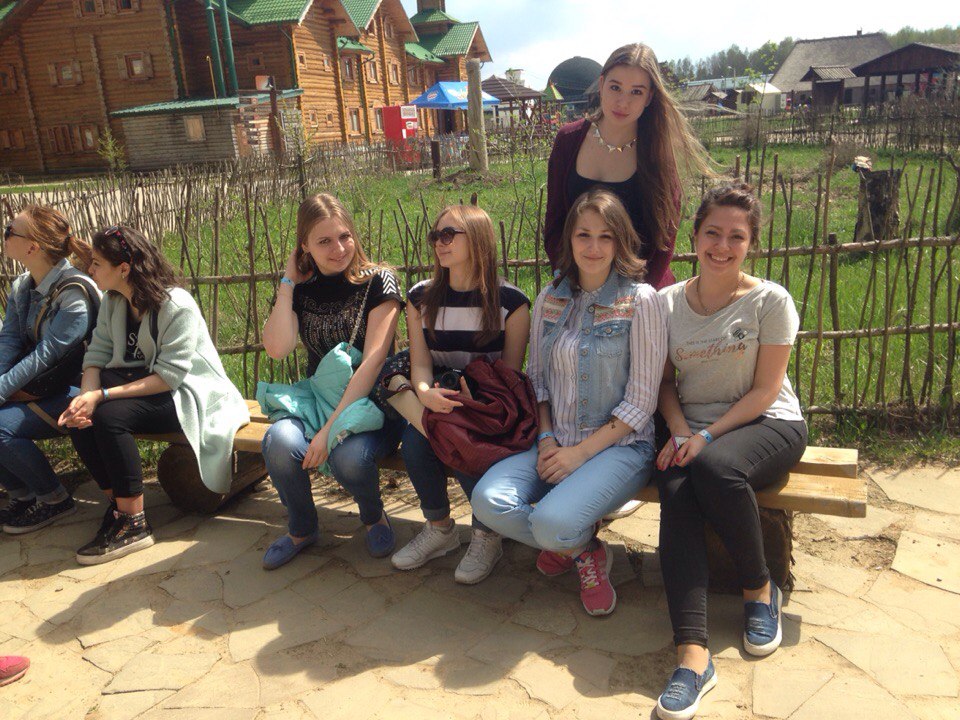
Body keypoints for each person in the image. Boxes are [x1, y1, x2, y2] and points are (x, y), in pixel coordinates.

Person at [653, 183, 807, 720]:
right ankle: (693, 657)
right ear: (694, 237)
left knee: (716, 467)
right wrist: (680, 432)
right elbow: (664, 382)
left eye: (736, 237)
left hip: (767, 421)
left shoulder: (770, 301)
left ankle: (759, 589)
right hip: (690, 427)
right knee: (676, 489)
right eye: (712, 233)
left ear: (751, 244)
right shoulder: (668, 303)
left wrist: (706, 438)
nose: (722, 246)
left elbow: (766, 390)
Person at [472, 189, 666, 615]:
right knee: (487, 501)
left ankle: (563, 537)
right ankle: (582, 551)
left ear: (620, 241)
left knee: (550, 523)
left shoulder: (641, 300)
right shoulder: (550, 297)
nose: (593, 247)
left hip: (621, 448)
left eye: (605, 236)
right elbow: (538, 382)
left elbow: (640, 402)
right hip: (554, 440)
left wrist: (579, 454)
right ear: (570, 240)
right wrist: (546, 439)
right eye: (584, 235)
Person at [59, 225, 248, 565]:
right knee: (79, 416)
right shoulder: (114, 300)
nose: (90, 269)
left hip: (186, 393)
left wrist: (102, 396)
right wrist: (86, 397)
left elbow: (169, 377)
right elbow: (96, 355)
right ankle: (118, 506)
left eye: (97, 263)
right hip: (141, 382)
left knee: (109, 417)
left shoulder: (176, 305)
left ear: (123, 268)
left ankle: (134, 523)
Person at [383, 204, 530, 584]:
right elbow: (419, 364)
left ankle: (487, 534)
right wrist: (424, 392)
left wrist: (474, 403)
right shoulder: (421, 298)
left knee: (465, 446)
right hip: (438, 399)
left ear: (478, 239)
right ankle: (440, 528)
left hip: (488, 407)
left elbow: (511, 375)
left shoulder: (512, 303)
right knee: (415, 444)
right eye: (436, 235)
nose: (440, 242)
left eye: (449, 234)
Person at [260, 193, 405, 568]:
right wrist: (288, 283)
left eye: (344, 236)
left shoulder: (379, 282)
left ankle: (373, 516)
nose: (338, 249)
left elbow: (373, 362)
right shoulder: (302, 288)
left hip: (372, 405)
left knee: (348, 458)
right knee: (278, 442)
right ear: (304, 246)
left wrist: (329, 430)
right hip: (318, 400)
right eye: (324, 241)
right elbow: (277, 348)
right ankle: (302, 528)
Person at [543, 42, 711, 291]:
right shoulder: (568, 140)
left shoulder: (657, 150)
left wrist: (633, 298)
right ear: (601, 85)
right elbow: (555, 223)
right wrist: (571, 281)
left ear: (649, 97)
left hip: (641, 288)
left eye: (636, 92)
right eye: (615, 87)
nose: (623, 101)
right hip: (577, 284)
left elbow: (664, 239)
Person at [0, 206, 98, 534]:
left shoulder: (74, 294)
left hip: (81, 390)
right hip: (41, 386)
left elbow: (45, 357)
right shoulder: (23, 286)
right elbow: (9, 341)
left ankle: (54, 499)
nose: (4, 235)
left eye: (9, 231)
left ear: (33, 247)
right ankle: (23, 494)